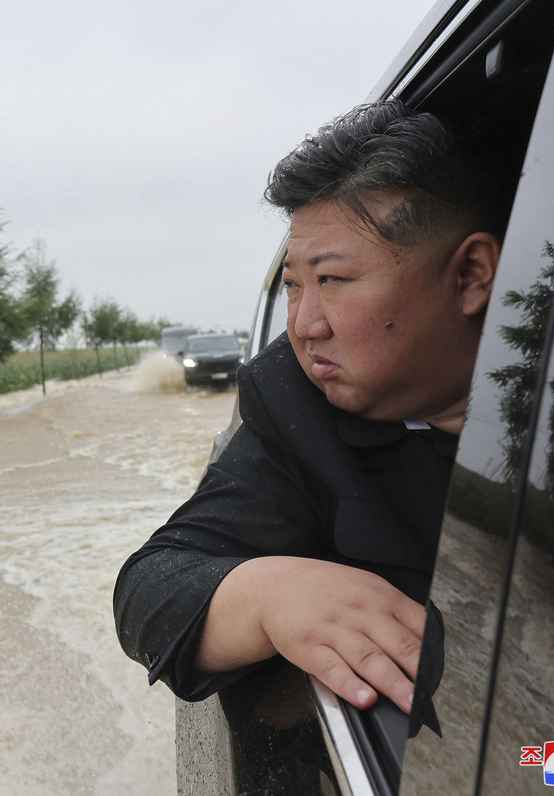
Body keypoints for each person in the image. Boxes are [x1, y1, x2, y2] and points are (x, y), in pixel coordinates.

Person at [113, 100, 508, 721]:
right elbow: (151, 590)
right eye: (294, 285)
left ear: (470, 276)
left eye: (333, 281)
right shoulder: (294, 404)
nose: (303, 326)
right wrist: (268, 594)